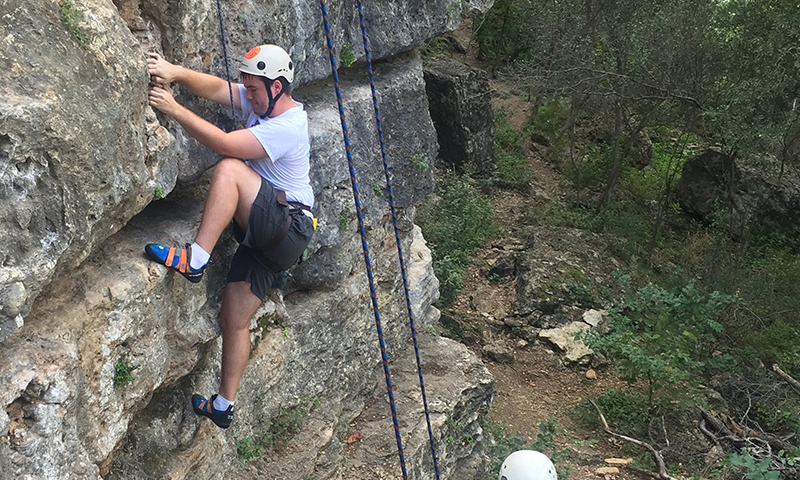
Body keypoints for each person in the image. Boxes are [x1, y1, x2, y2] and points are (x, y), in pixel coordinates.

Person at [144, 44, 315, 429]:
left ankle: (196, 259)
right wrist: (175, 71)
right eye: (248, 88)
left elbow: (225, 145)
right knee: (234, 320)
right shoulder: (263, 101)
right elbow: (219, 89)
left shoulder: (288, 125)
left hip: (287, 225)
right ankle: (223, 404)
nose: (248, 95)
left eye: (254, 89)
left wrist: (174, 108)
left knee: (229, 169)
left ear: (277, 87)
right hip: (275, 238)